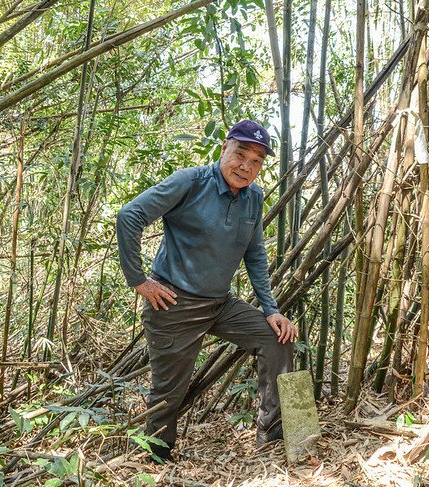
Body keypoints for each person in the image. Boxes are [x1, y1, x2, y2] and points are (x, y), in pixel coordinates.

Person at [116, 119, 296, 461]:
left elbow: (255, 254)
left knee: (276, 338)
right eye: (241, 154)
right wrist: (139, 281)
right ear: (224, 147)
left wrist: (271, 309)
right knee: (169, 390)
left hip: (219, 303)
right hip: (174, 303)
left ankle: (271, 433)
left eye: (256, 161)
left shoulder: (253, 197)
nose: (246, 166)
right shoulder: (190, 181)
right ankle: (158, 456)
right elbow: (129, 216)